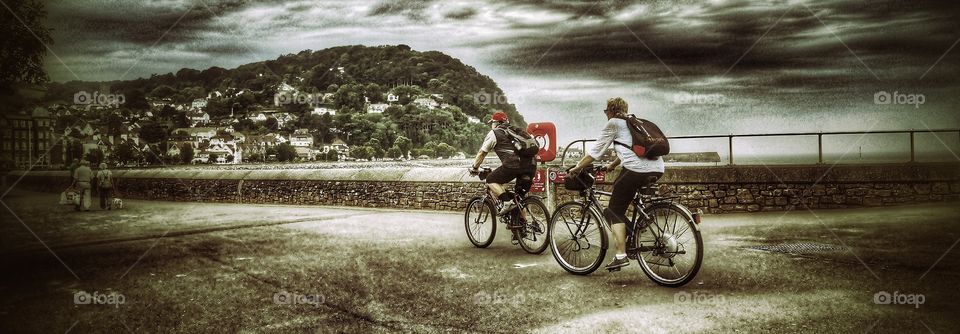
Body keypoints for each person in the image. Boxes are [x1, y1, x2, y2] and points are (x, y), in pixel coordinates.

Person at [568, 98, 665, 271]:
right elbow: (631, 149)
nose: (606, 114)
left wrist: (576, 167)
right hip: (657, 169)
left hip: (636, 170)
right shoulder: (634, 123)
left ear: (611, 111)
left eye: (606, 111)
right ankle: (636, 230)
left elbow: (595, 152)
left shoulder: (614, 123)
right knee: (622, 203)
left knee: (614, 210)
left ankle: (621, 256)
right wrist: (612, 165)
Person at [470, 111, 536, 218]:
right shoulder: (515, 131)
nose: (491, 125)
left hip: (513, 166)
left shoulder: (495, 133)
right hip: (531, 166)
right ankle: (523, 228)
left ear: (496, 123)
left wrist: (474, 168)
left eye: (492, 123)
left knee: (491, 179)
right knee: (518, 200)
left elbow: (482, 153)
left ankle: (506, 202)